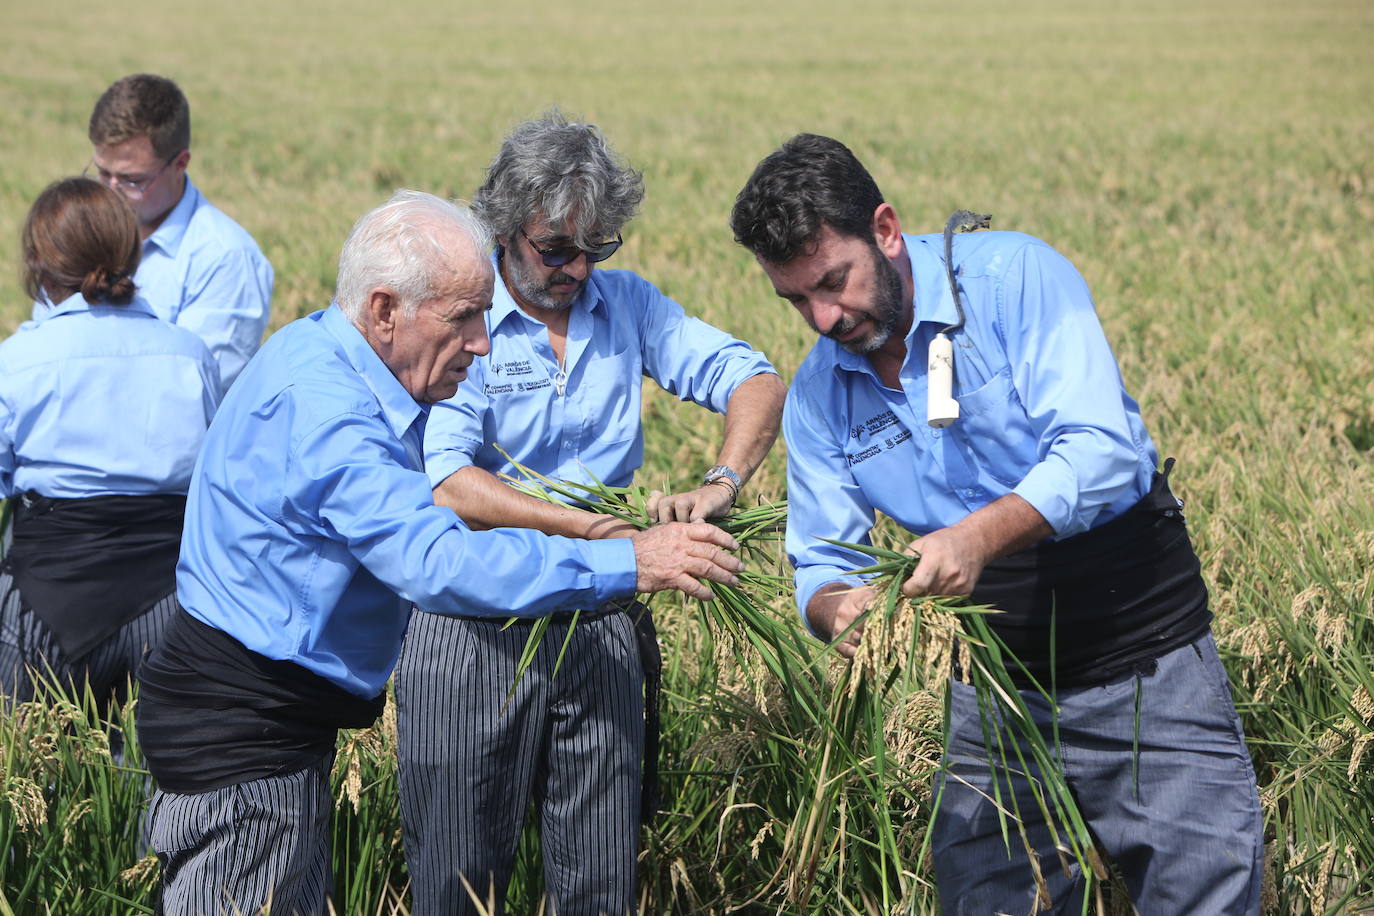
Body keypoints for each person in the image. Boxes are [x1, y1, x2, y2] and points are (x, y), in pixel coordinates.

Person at [134, 189, 743, 916]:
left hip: (265, 723)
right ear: (385, 310)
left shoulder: (324, 352)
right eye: (462, 318)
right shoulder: (331, 414)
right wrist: (629, 559)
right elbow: (437, 563)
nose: (484, 343)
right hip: (244, 742)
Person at [729, 134, 1263, 915]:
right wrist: (840, 610)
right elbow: (819, 558)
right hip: (993, 695)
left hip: (1143, 662)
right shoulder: (819, 395)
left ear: (884, 229)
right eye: (795, 300)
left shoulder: (1015, 281)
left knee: (1203, 895)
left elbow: (1102, 451)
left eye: (834, 283)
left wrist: (975, 539)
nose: (823, 316)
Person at [394, 112, 786, 916]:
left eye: (596, 248)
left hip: (602, 611)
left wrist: (721, 483)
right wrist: (602, 533)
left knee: (601, 874)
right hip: (479, 615)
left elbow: (755, 380)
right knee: (458, 873)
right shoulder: (463, 318)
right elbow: (450, 481)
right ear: (505, 229)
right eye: (557, 249)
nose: (578, 267)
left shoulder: (627, 306)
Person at [0, 177, 220, 710]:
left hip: (44, 601)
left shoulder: (18, 360)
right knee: (154, 778)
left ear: (38, 262)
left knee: (30, 769)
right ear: (134, 253)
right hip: (171, 600)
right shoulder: (190, 355)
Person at [35, 73, 273, 390]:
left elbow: (194, 390)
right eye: (102, 173)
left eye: (133, 180)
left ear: (181, 163)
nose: (111, 191)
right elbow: (37, 346)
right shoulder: (77, 231)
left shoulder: (227, 259)